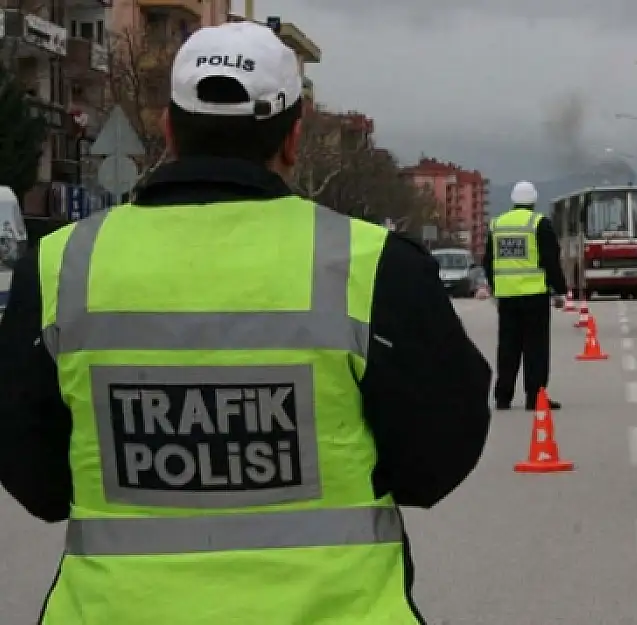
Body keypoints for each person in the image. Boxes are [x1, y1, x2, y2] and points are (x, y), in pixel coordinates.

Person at [0, 21, 491, 625]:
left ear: (169, 130)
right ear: (292, 138)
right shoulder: (371, 266)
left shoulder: (60, 267)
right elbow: (438, 456)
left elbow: (33, 472)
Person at [483, 181, 569, 411]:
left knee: (508, 347)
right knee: (536, 348)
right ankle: (535, 397)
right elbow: (550, 259)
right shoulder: (539, 223)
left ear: (513, 200)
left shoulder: (497, 224)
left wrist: (495, 285)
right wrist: (560, 289)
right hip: (534, 296)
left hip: (507, 297)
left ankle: (503, 397)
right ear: (533, 201)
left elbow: (487, 261)